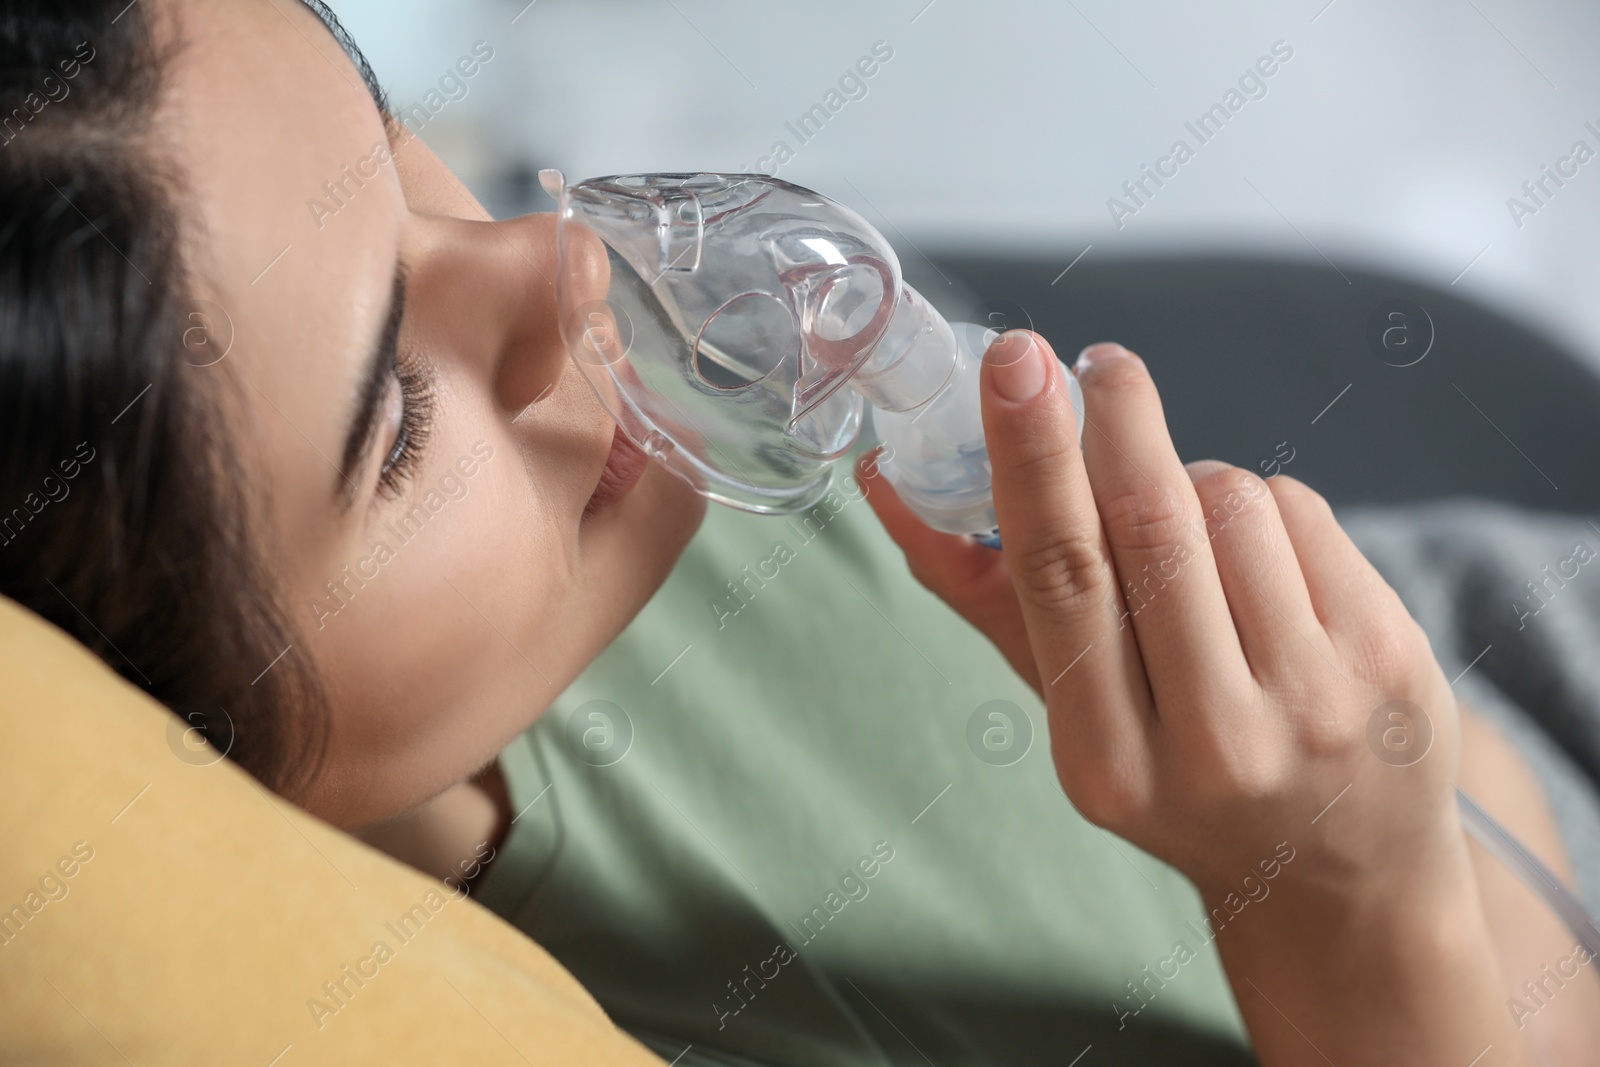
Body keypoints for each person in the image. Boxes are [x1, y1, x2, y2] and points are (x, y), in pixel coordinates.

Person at [1, 1, 1592, 1063]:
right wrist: (1353, 899)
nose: (559, 258)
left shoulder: (695, 430)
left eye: (391, 140)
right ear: (154, 727)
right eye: (399, 420)